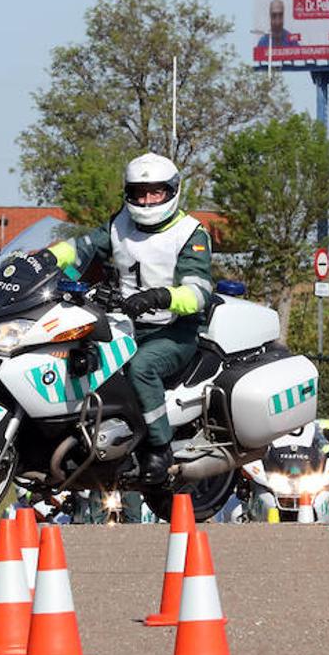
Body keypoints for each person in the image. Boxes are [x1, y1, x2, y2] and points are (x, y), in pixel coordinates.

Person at [48, 152, 213, 484]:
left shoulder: (190, 233)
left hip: (174, 330)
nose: (147, 199)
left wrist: (159, 296)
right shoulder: (119, 223)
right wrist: (41, 260)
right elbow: (81, 248)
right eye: (140, 192)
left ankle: (159, 447)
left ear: (172, 191)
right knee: (79, 357)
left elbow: (199, 292)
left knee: (142, 368)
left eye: (156, 192)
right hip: (125, 323)